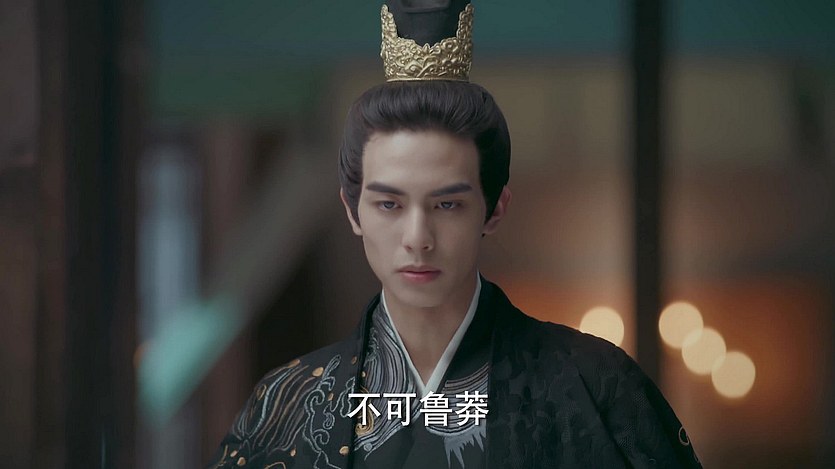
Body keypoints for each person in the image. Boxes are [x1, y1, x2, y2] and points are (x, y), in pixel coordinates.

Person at [209, 1, 701, 467]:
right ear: (352, 211)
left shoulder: (597, 387)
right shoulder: (286, 405)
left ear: (494, 208)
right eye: (389, 204)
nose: (417, 238)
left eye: (447, 204)